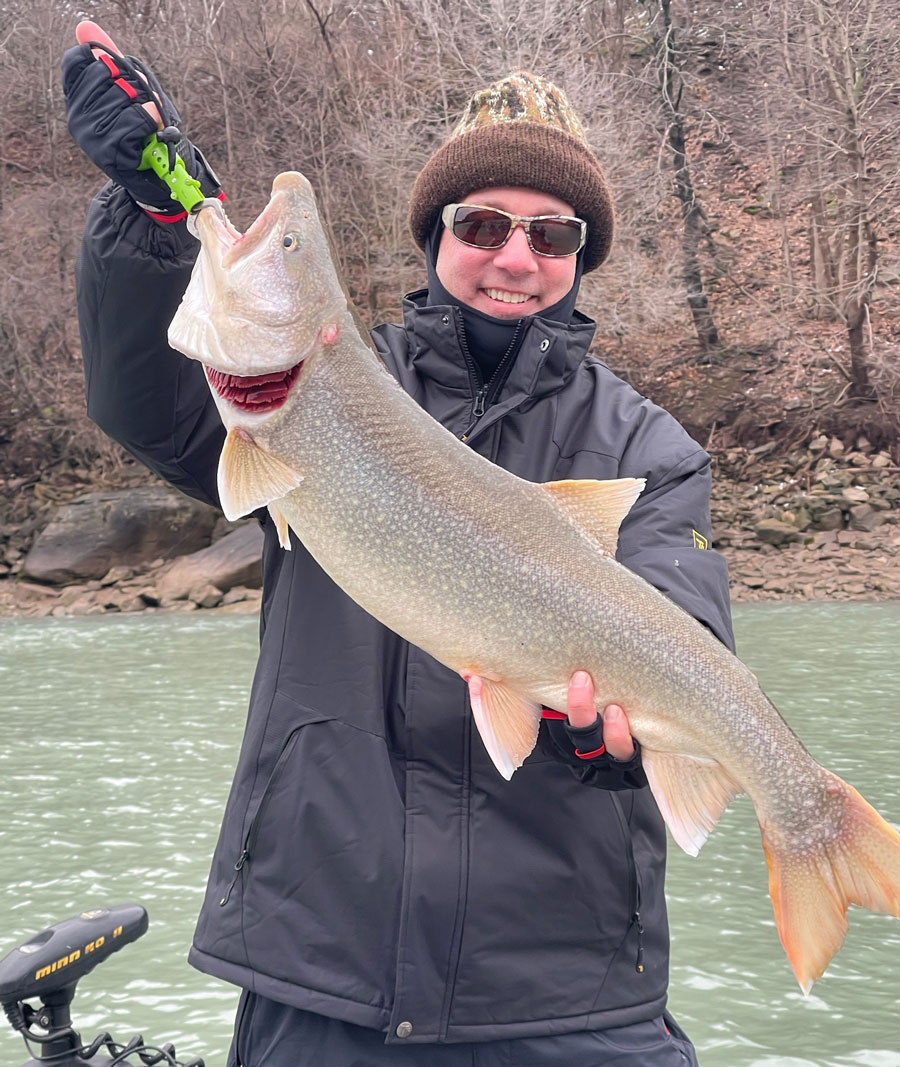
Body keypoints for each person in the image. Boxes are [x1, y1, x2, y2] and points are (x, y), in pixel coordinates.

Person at [63, 24, 735, 1066]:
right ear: (436, 234)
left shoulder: (649, 449)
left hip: (568, 997)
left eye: (552, 236)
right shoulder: (303, 407)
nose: (516, 256)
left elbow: (684, 639)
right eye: (482, 223)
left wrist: (613, 743)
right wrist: (153, 221)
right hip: (323, 975)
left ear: (581, 257)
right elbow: (143, 401)